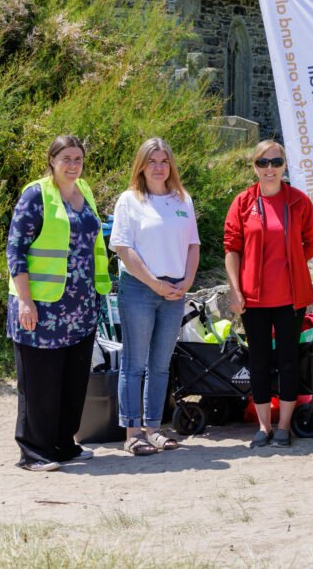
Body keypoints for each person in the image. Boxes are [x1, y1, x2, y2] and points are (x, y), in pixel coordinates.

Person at [6, 135, 112, 472]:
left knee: (72, 381)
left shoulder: (86, 190)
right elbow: (15, 251)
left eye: (78, 158)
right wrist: (25, 301)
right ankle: (34, 452)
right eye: (66, 158)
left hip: (80, 306)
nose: (72, 165)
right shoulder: (36, 194)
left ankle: (64, 445)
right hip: (42, 307)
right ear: (52, 159)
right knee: (40, 383)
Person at [224, 140, 313, 449]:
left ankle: (284, 428)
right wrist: (235, 289)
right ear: (254, 166)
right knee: (258, 361)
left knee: (289, 360)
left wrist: (295, 258)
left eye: (276, 162)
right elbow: (232, 247)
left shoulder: (297, 201)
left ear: (284, 166)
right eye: (263, 163)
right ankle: (264, 427)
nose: (270, 168)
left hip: (290, 296)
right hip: (253, 298)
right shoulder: (242, 202)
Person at [110, 138, 200, 456]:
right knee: (134, 364)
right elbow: (123, 248)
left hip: (175, 290)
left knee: (161, 365)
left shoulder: (181, 199)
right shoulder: (129, 200)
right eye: (153, 161)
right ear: (142, 165)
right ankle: (133, 432)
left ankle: (154, 428)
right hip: (140, 288)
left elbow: (192, 245)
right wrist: (153, 283)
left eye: (164, 161)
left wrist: (187, 280)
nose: (159, 167)